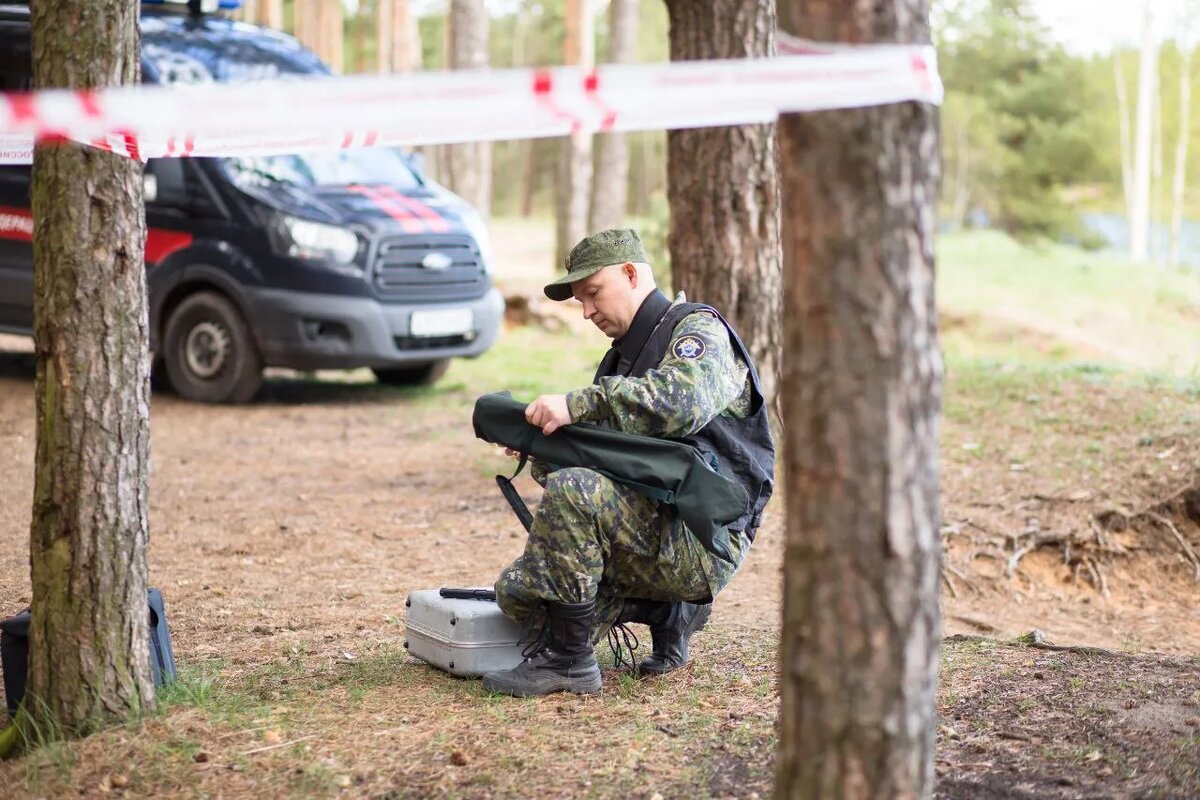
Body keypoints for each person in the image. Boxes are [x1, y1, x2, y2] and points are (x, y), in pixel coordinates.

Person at [482, 228, 775, 697]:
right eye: (579, 300)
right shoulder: (619, 362)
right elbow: (610, 467)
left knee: (574, 494)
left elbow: (681, 403)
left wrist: (577, 406)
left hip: (705, 537)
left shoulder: (697, 331)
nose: (587, 311)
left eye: (593, 293)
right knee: (520, 600)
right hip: (650, 527)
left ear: (632, 274)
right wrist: (544, 451)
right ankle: (669, 613)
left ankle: (571, 662)